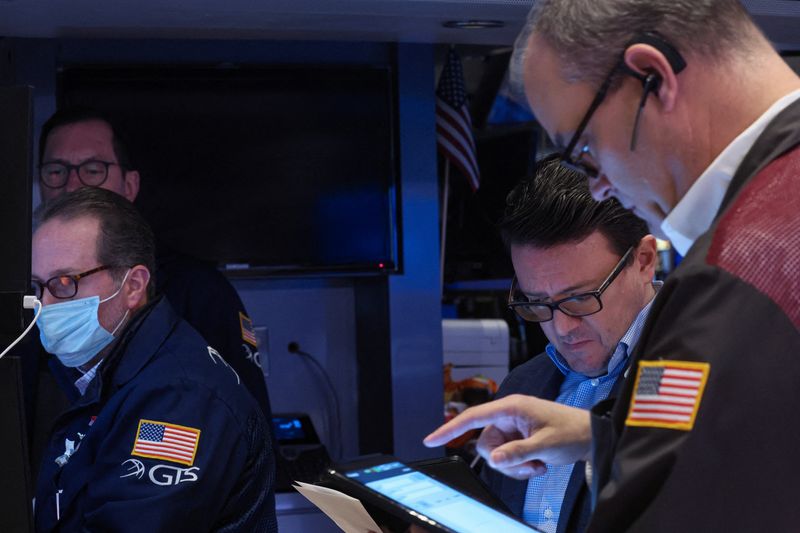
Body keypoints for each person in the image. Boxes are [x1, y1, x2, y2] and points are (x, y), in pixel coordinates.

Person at [427, 0, 800, 530]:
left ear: (652, 76)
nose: (598, 183)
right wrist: (597, 436)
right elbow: (758, 448)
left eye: (582, 148)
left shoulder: (746, 258)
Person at [31, 187, 276, 532]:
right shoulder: (112, 372)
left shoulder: (180, 397)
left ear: (133, 286)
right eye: (38, 287)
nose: (47, 305)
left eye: (65, 283)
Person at [36, 107, 274, 421]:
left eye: (93, 170)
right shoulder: (21, 295)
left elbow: (248, 425)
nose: (72, 186)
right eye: (56, 171)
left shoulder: (199, 291)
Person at [485, 155, 657, 533]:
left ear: (644, 261)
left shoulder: (696, 366)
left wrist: (597, 442)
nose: (562, 327)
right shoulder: (522, 387)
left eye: (580, 298)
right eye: (537, 303)